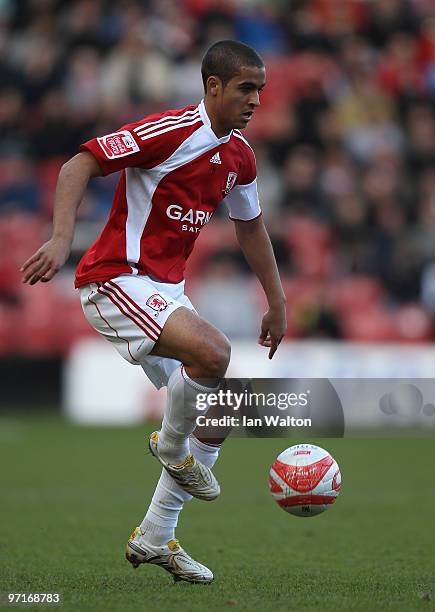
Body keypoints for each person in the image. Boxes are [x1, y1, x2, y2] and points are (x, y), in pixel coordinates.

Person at [21, 40, 287, 583]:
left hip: (165, 293)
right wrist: (61, 237)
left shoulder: (239, 156)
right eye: (245, 88)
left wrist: (277, 299)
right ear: (213, 87)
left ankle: (155, 537)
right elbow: (81, 162)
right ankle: (169, 445)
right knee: (214, 354)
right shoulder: (169, 131)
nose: (256, 100)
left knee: (222, 411)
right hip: (114, 279)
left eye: (260, 89)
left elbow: (251, 226)